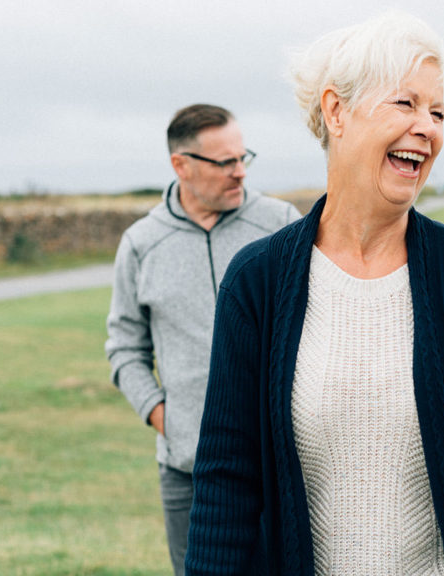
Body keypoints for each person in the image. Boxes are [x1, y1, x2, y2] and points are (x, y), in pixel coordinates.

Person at [185, 11, 444, 575]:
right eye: (405, 104)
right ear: (336, 111)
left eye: (438, 113)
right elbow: (226, 481)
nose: (427, 128)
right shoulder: (256, 280)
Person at [104, 104, 300, 576]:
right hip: (188, 472)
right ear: (181, 165)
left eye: (243, 157)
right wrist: (163, 416)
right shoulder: (140, 243)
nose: (240, 173)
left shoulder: (282, 226)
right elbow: (125, 347)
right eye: (225, 162)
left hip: (282, 469)